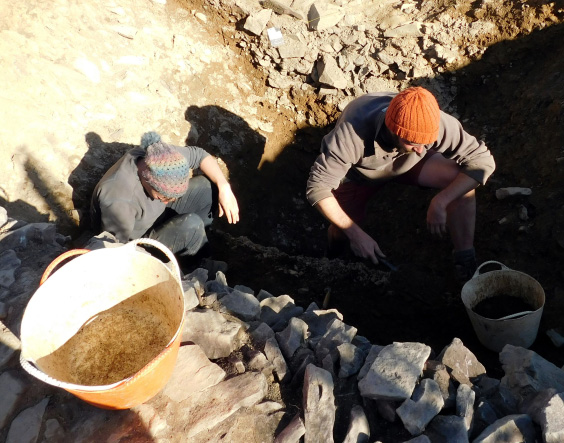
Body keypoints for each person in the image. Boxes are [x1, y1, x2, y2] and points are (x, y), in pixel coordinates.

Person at [306, 86, 496, 282]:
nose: (422, 150)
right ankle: (331, 262)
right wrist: (355, 234)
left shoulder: (433, 124)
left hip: (407, 164)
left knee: (458, 178)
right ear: (393, 129)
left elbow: (482, 162)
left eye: (427, 143)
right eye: (414, 142)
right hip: (359, 176)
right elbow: (318, 187)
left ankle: (465, 259)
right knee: (341, 228)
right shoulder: (353, 132)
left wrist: (441, 200)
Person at [91, 131, 239, 259]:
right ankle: (193, 268)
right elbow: (117, 251)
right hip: (138, 241)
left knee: (207, 189)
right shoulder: (120, 199)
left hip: (152, 215)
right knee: (192, 225)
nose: (172, 201)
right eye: (166, 197)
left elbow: (200, 155)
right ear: (148, 180)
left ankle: (197, 241)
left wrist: (224, 186)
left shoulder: (160, 158)